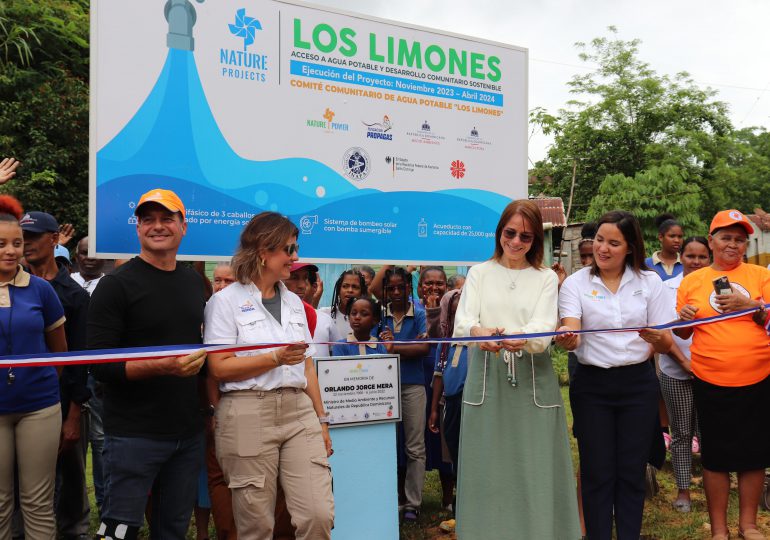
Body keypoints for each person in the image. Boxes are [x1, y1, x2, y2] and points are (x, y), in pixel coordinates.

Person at [452, 199, 580, 539]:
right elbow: (463, 325)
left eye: (526, 236)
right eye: (510, 233)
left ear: (535, 239)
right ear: (499, 233)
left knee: (533, 466)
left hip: (531, 379)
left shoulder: (545, 279)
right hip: (486, 377)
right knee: (487, 465)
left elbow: (542, 332)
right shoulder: (479, 273)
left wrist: (515, 336)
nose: (516, 242)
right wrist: (479, 332)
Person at [204, 212, 334, 540]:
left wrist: (322, 420)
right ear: (264, 250)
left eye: (295, 248)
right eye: (289, 250)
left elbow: (306, 366)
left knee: (317, 514)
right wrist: (273, 357)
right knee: (256, 525)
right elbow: (218, 366)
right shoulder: (224, 302)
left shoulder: (294, 303)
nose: (296, 257)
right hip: (247, 411)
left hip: (298, 410)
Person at [88, 188, 208, 540]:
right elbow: (99, 366)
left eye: (167, 218)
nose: (157, 226)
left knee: (171, 530)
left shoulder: (192, 282)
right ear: (137, 228)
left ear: (183, 226)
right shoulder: (114, 286)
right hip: (132, 435)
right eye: (148, 219)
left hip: (186, 434)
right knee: (119, 530)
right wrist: (162, 366)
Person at [557, 210, 673, 540]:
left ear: (631, 248)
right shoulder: (576, 284)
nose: (602, 248)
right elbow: (571, 331)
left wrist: (657, 338)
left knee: (631, 471)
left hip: (638, 385)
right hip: (592, 386)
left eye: (613, 242)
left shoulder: (650, 282)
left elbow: (665, 342)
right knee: (597, 471)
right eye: (599, 241)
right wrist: (568, 337)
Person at [676, 209, 770, 540]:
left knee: (754, 454)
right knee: (715, 456)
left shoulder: (760, 275)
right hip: (710, 379)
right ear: (711, 240)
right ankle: (719, 528)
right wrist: (684, 319)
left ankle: (748, 525)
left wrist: (750, 305)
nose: (733, 244)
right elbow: (684, 335)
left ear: (747, 243)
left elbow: (769, 321)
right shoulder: (692, 281)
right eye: (726, 237)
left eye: (740, 239)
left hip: (757, 377)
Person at [20, 211, 91, 540]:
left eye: (33, 238)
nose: (26, 245)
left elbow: (79, 359)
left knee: (71, 477)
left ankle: (74, 532)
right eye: (23, 238)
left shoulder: (74, 295)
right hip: (18, 403)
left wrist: (74, 415)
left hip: (64, 402)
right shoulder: (10, 287)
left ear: (54, 240)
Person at [0, 196, 67, 540]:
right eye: (1, 244)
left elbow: (59, 353)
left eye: (17, 243)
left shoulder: (41, 290)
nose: (11, 251)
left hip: (39, 407)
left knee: (37, 500)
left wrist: (34, 385)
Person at [659, 236, 710, 513]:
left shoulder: (718, 289)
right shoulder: (667, 289)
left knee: (710, 431)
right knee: (680, 432)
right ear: (682, 258)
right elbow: (663, 334)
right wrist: (685, 364)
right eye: (691, 256)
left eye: (702, 257)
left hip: (712, 372)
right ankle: (683, 490)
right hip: (675, 371)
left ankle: (714, 487)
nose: (696, 262)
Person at [377, 266, 430, 522]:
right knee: (384, 444)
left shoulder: (419, 314)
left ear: (410, 288)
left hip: (412, 386)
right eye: (391, 288)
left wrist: (393, 347)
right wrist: (398, 347)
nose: (396, 292)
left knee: (414, 446)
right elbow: (377, 347)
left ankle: (413, 502)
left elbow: (423, 348)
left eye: (401, 287)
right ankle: (386, 498)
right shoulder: (378, 315)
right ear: (385, 290)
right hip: (382, 387)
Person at [69, 235, 109, 515]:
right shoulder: (64, 283)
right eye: (85, 252)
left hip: (98, 373)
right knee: (69, 444)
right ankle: (71, 511)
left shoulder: (110, 285)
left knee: (100, 439)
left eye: (95, 252)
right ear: (76, 255)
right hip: (68, 372)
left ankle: (106, 509)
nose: (90, 257)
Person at [428, 288, 467, 534]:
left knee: (470, 455)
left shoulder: (478, 339)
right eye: (455, 311)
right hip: (449, 403)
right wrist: (433, 410)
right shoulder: (446, 341)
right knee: (455, 456)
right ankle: (460, 510)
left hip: (471, 403)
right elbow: (439, 374)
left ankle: (471, 510)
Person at [319, 269, 366, 339]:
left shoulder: (367, 318)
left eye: (355, 287)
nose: (350, 290)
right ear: (338, 290)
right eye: (345, 286)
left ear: (361, 292)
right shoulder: (324, 314)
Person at [645, 214, 684, 281]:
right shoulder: (645, 264)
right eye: (672, 236)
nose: (677, 240)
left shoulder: (687, 263)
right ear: (660, 237)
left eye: (680, 237)